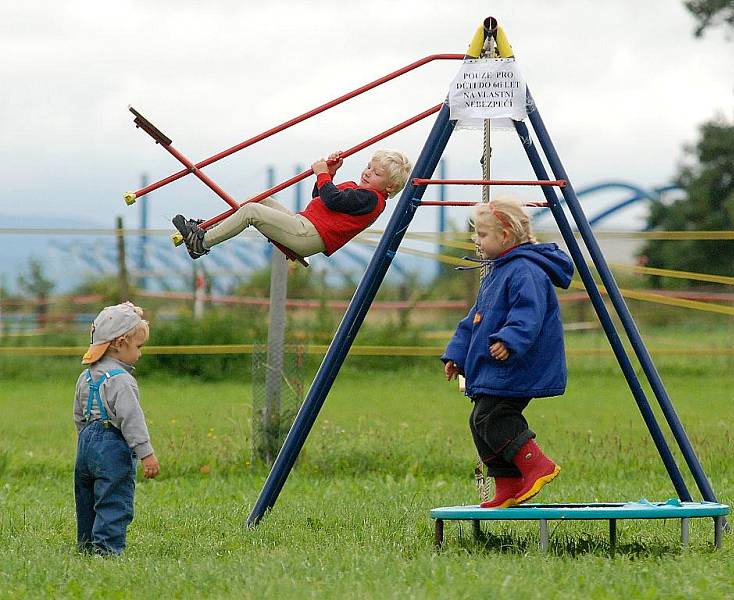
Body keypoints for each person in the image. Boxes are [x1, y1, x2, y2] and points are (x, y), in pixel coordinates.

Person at [442, 198, 574, 509]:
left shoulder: (525, 270)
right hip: (496, 365)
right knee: (480, 421)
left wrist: (510, 339)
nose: (477, 239)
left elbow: (529, 313)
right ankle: (509, 486)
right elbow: (474, 319)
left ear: (505, 236)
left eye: (483, 234)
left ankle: (537, 465)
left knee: (494, 416)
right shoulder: (499, 271)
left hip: (517, 364)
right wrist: (456, 355)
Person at [172, 149, 412, 260]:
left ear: (389, 187)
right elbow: (321, 200)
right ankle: (209, 229)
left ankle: (201, 243)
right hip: (304, 223)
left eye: (377, 173)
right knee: (261, 199)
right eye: (369, 167)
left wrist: (322, 174)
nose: (368, 173)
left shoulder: (372, 200)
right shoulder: (359, 191)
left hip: (308, 234)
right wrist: (329, 173)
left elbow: (332, 199)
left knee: (252, 211)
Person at [73, 302, 160, 554]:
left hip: (86, 444)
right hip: (112, 445)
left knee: (87, 499)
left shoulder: (86, 376)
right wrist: (146, 454)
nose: (140, 353)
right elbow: (131, 419)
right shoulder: (122, 380)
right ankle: (107, 550)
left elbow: (78, 415)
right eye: (138, 347)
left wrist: (85, 440)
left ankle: (87, 546)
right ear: (120, 343)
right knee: (113, 498)